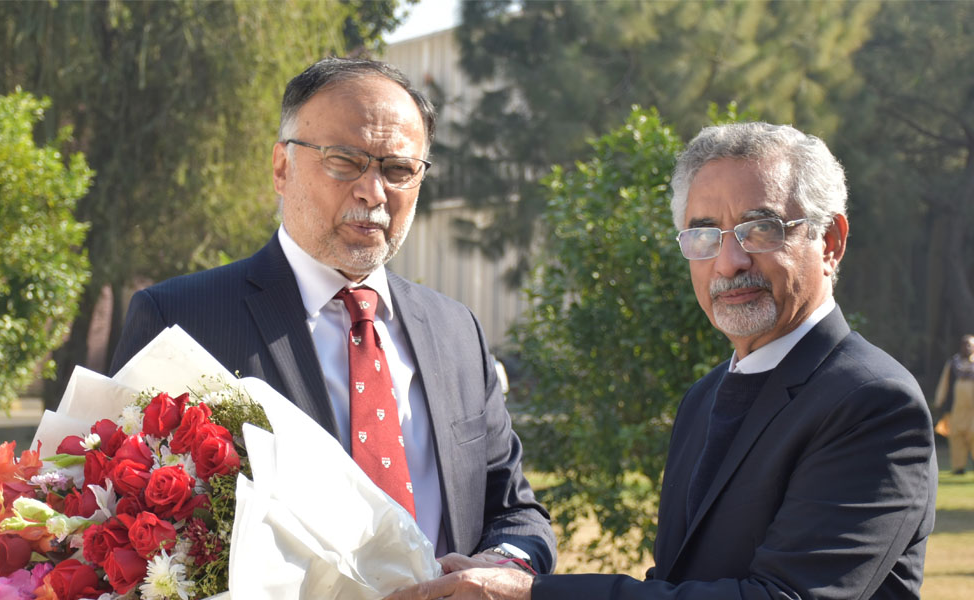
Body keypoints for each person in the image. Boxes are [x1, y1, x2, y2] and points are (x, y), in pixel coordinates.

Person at [387, 122, 937, 600]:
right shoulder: (705, 398)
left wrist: (536, 595)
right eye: (704, 234)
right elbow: (675, 587)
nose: (729, 261)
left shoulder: (872, 403)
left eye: (760, 228)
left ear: (831, 241)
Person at [109, 57, 556, 574]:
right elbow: (118, 526)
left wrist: (503, 564)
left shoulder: (457, 331)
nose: (374, 191)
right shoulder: (181, 320)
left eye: (398, 170)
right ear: (281, 168)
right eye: (344, 161)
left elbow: (516, 513)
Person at [934, 334, 974, 474]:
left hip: (972, 411)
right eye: (964, 344)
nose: (967, 347)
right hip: (956, 409)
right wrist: (939, 400)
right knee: (956, 437)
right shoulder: (953, 363)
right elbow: (944, 383)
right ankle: (958, 467)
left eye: (969, 344)